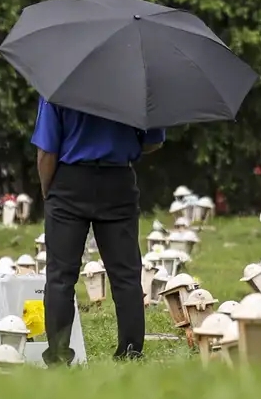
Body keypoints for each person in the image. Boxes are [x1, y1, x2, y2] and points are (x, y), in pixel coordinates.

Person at [31, 97, 165, 364]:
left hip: (69, 181)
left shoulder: (59, 84)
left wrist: (49, 191)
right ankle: (130, 353)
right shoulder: (136, 85)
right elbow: (154, 141)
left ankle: (57, 357)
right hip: (118, 180)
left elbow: (47, 151)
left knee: (60, 276)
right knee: (125, 274)